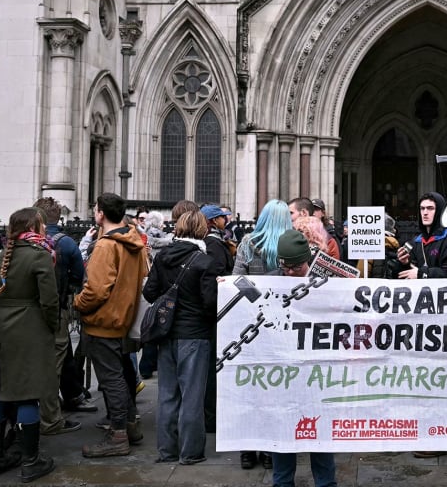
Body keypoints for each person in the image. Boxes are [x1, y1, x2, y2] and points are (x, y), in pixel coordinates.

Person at [0, 207, 59, 482]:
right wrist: (51, 327)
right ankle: (30, 461)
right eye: (42, 224)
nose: (45, 228)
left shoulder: (0, 255)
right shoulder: (40, 256)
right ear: (33, 226)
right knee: (28, 394)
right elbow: (49, 301)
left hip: (0, 329)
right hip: (29, 329)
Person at [74, 193, 148, 458]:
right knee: (120, 375)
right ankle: (130, 426)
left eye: (96, 208)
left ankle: (118, 436)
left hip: (103, 322)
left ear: (101, 213)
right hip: (124, 319)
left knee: (112, 379)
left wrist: (77, 302)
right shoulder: (134, 242)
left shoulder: (106, 245)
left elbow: (95, 290)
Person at [143, 210, 218, 465]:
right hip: (195, 336)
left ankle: (166, 451)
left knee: (167, 395)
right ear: (201, 230)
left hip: (166, 334)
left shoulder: (163, 256)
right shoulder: (204, 262)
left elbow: (149, 293)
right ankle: (190, 452)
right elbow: (211, 304)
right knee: (192, 396)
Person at [269, 229, 338, 487]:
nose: (288, 273)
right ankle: (282, 483)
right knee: (283, 430)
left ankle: (326, 483)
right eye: (284, 267)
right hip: (285, 372)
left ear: (306, 260)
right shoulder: (272, 279)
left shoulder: (327, 280)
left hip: (318, 371)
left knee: (320, 430)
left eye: (295, 267)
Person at [232, 198, 291, 469]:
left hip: (252, 324)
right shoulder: (291, 244)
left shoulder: (247, 243)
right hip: (283, 326)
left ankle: (247, 450)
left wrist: (258, 300)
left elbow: (237, 280)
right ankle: (271, 451)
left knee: (250, 389)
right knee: (277, 390)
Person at [32, 197, 88, 436]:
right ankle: (50, 417)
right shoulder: (65, 244)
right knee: (53, 363)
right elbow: (79, 277)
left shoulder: (16, 244)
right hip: (57, 311)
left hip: (25, 314)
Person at [395, 192, 447, 280]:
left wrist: (422, 274)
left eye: (430, 208)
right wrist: (404, 263)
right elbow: (401, 276)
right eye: (422, 208)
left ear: (440, 211)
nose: (425, 213)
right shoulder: (415, 241)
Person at [201, 205, 233, 276]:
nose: (225, 219)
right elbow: (217, 271)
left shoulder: (210, 238)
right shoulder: (213, 243)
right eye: (222, 217)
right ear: (215, 220)